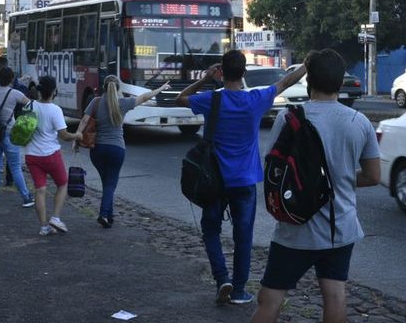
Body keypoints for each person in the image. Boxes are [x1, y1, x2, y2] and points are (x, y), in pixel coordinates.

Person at [250, 49, 380, 323]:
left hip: (294, 228)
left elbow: (274, 168)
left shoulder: (289, 118)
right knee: (334, 296)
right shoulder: (360, 123)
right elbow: (373, 176)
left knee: (270, 298)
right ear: (340, 83)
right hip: (340, 229)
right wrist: (338, 178)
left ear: (308, 82)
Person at [175, 50, 306, 305]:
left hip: (215, 180)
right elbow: (286, 81)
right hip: (245, 181)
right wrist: (308, 64)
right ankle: (238, 290)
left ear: (221, 72)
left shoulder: (211, 100)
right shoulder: (255, 99)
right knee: (243, 236)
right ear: (244, 73)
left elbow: (181, 99)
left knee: (211, 229)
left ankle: (221, 277)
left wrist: (205, 79)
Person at [73, 75, 170, 228]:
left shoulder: (95, 102)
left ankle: (109, 216)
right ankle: (104, 214)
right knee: (111, 184)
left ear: (104, 87)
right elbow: (145, 97)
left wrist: (76, 139)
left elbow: (84, 121)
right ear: (118, 88)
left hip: (97, 149)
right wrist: (162, 88)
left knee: (107, 182)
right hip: (116, 149)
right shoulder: (123, 103)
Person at [24, 75, 83, 236]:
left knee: (40, 190)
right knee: (63, 184)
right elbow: (64, 135)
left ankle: (44, 226)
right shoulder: (55, 110)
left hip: (31, 155)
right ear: (54, 92)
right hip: (50, 155)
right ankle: (55, 217)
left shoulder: (30, 106)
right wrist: (77, 135)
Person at [0, 67, 34, 209]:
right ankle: (26, 197)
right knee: (15, 166)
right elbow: (30, 105)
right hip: (9, 133)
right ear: (12, 79)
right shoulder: (15, 94)